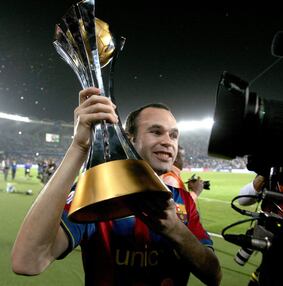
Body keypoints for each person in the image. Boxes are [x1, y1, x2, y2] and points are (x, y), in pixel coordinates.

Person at [12, 87, 222, 286]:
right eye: (156, 132)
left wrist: (175, 229)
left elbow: (214, 275)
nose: (168, 141)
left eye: (173, 135)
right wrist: (79, 147)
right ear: (129, 140)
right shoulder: (97, 193)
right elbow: (28, 262)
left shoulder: (183, 199)